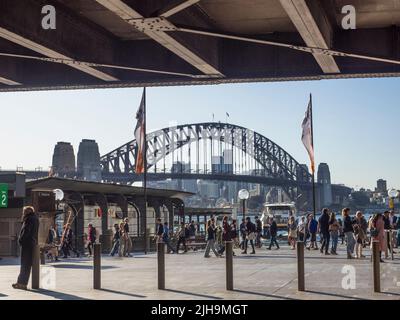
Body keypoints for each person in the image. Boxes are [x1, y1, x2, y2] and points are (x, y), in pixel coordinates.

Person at [12, 206, 39, 290]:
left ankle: (22, 284)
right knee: (26, 264)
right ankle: (21, 283)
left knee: (25, 264)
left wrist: (21, 240)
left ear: (27, 212)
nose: (23, 213)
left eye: (24, 211)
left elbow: (26, 231)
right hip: (31, 243)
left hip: (27, 244)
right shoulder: (35, 218)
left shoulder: (29, 219)